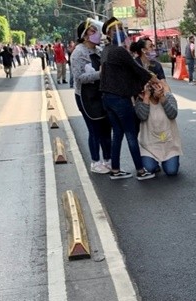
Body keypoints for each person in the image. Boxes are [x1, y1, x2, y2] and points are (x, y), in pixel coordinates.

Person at [99, 17, 160, 180]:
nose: (121, 32)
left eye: (121, 28)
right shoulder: (119, 51)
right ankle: (140, 171)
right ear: (111, 34)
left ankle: (115, 170)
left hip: (107, 98)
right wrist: (153, 79)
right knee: (130, 133)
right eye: (117, 29)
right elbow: (136, 69)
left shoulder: (106, 51)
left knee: (117, 133)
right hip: (119, 98)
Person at [72, 19, 113, 175]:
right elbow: (79, 77)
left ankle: (108, 160)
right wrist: (100, 74)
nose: (96, 34)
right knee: (94, 129)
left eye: (97, 30)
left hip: (101, 94)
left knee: (106, 128)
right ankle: (95, 162)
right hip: (86, 96)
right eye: (92, 31)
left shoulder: (99, 51)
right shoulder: (78, 53)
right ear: (84, 35)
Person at [135, 81, 181, 176]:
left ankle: (172, 160)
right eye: (150, 87)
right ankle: (153, 163)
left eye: (155, 86)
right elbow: (143, 116)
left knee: (171, 171)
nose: (154, 89)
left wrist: (162, 98)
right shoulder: (141, 100)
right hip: (149, 145)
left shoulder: (168, 96)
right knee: (149, 168)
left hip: (169, 145)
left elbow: (172, 114)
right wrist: (146, 97)